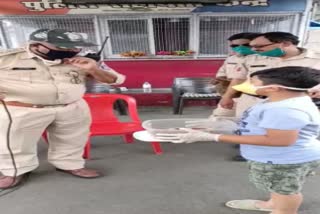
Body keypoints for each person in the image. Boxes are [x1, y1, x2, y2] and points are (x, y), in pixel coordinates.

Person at [157, 66, 320, 214]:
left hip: (285, 160)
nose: (248, 84)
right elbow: (264, 123)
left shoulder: (286, 109)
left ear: (273, 88)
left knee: (286, 191)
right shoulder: (278, 100)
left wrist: (213, 136)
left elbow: (280, 140)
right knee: (277, 186)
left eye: (253, 82)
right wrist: (229, 125)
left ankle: (284, 211)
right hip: (276, 157)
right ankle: (272, 204)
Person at [0, 28, 125, 189]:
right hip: (23, 109)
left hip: (71, 107)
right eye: (64, 47)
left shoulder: (85, 59)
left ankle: (69, 164)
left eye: (75, 47)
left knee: (73, 139)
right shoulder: (8, 58)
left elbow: (115, 80)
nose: (72, 51)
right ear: (38, 45)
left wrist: (93, 69)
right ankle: (14, 171)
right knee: (15, 142)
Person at [218, 32, 320, 119]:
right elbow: (238, 79)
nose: (254, 50)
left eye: (259, 46)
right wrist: (227, 97)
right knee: (248, 129)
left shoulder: (316, 59)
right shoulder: (252, 58)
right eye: (252, 46)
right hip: (251, 101)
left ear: (286, 44)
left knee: (285, 133)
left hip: (292, 105)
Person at [211, 32, 261, 161]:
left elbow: (239, 80)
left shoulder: (264, 59)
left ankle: (250, 152)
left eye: (244, 45)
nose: (238, 48)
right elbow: (223, 74)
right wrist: (219, 81)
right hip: (233, 94)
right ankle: (241, 140)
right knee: (224, 118)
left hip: (255, 96)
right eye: (234, 46)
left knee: (252, 124)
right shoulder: (232, 58)